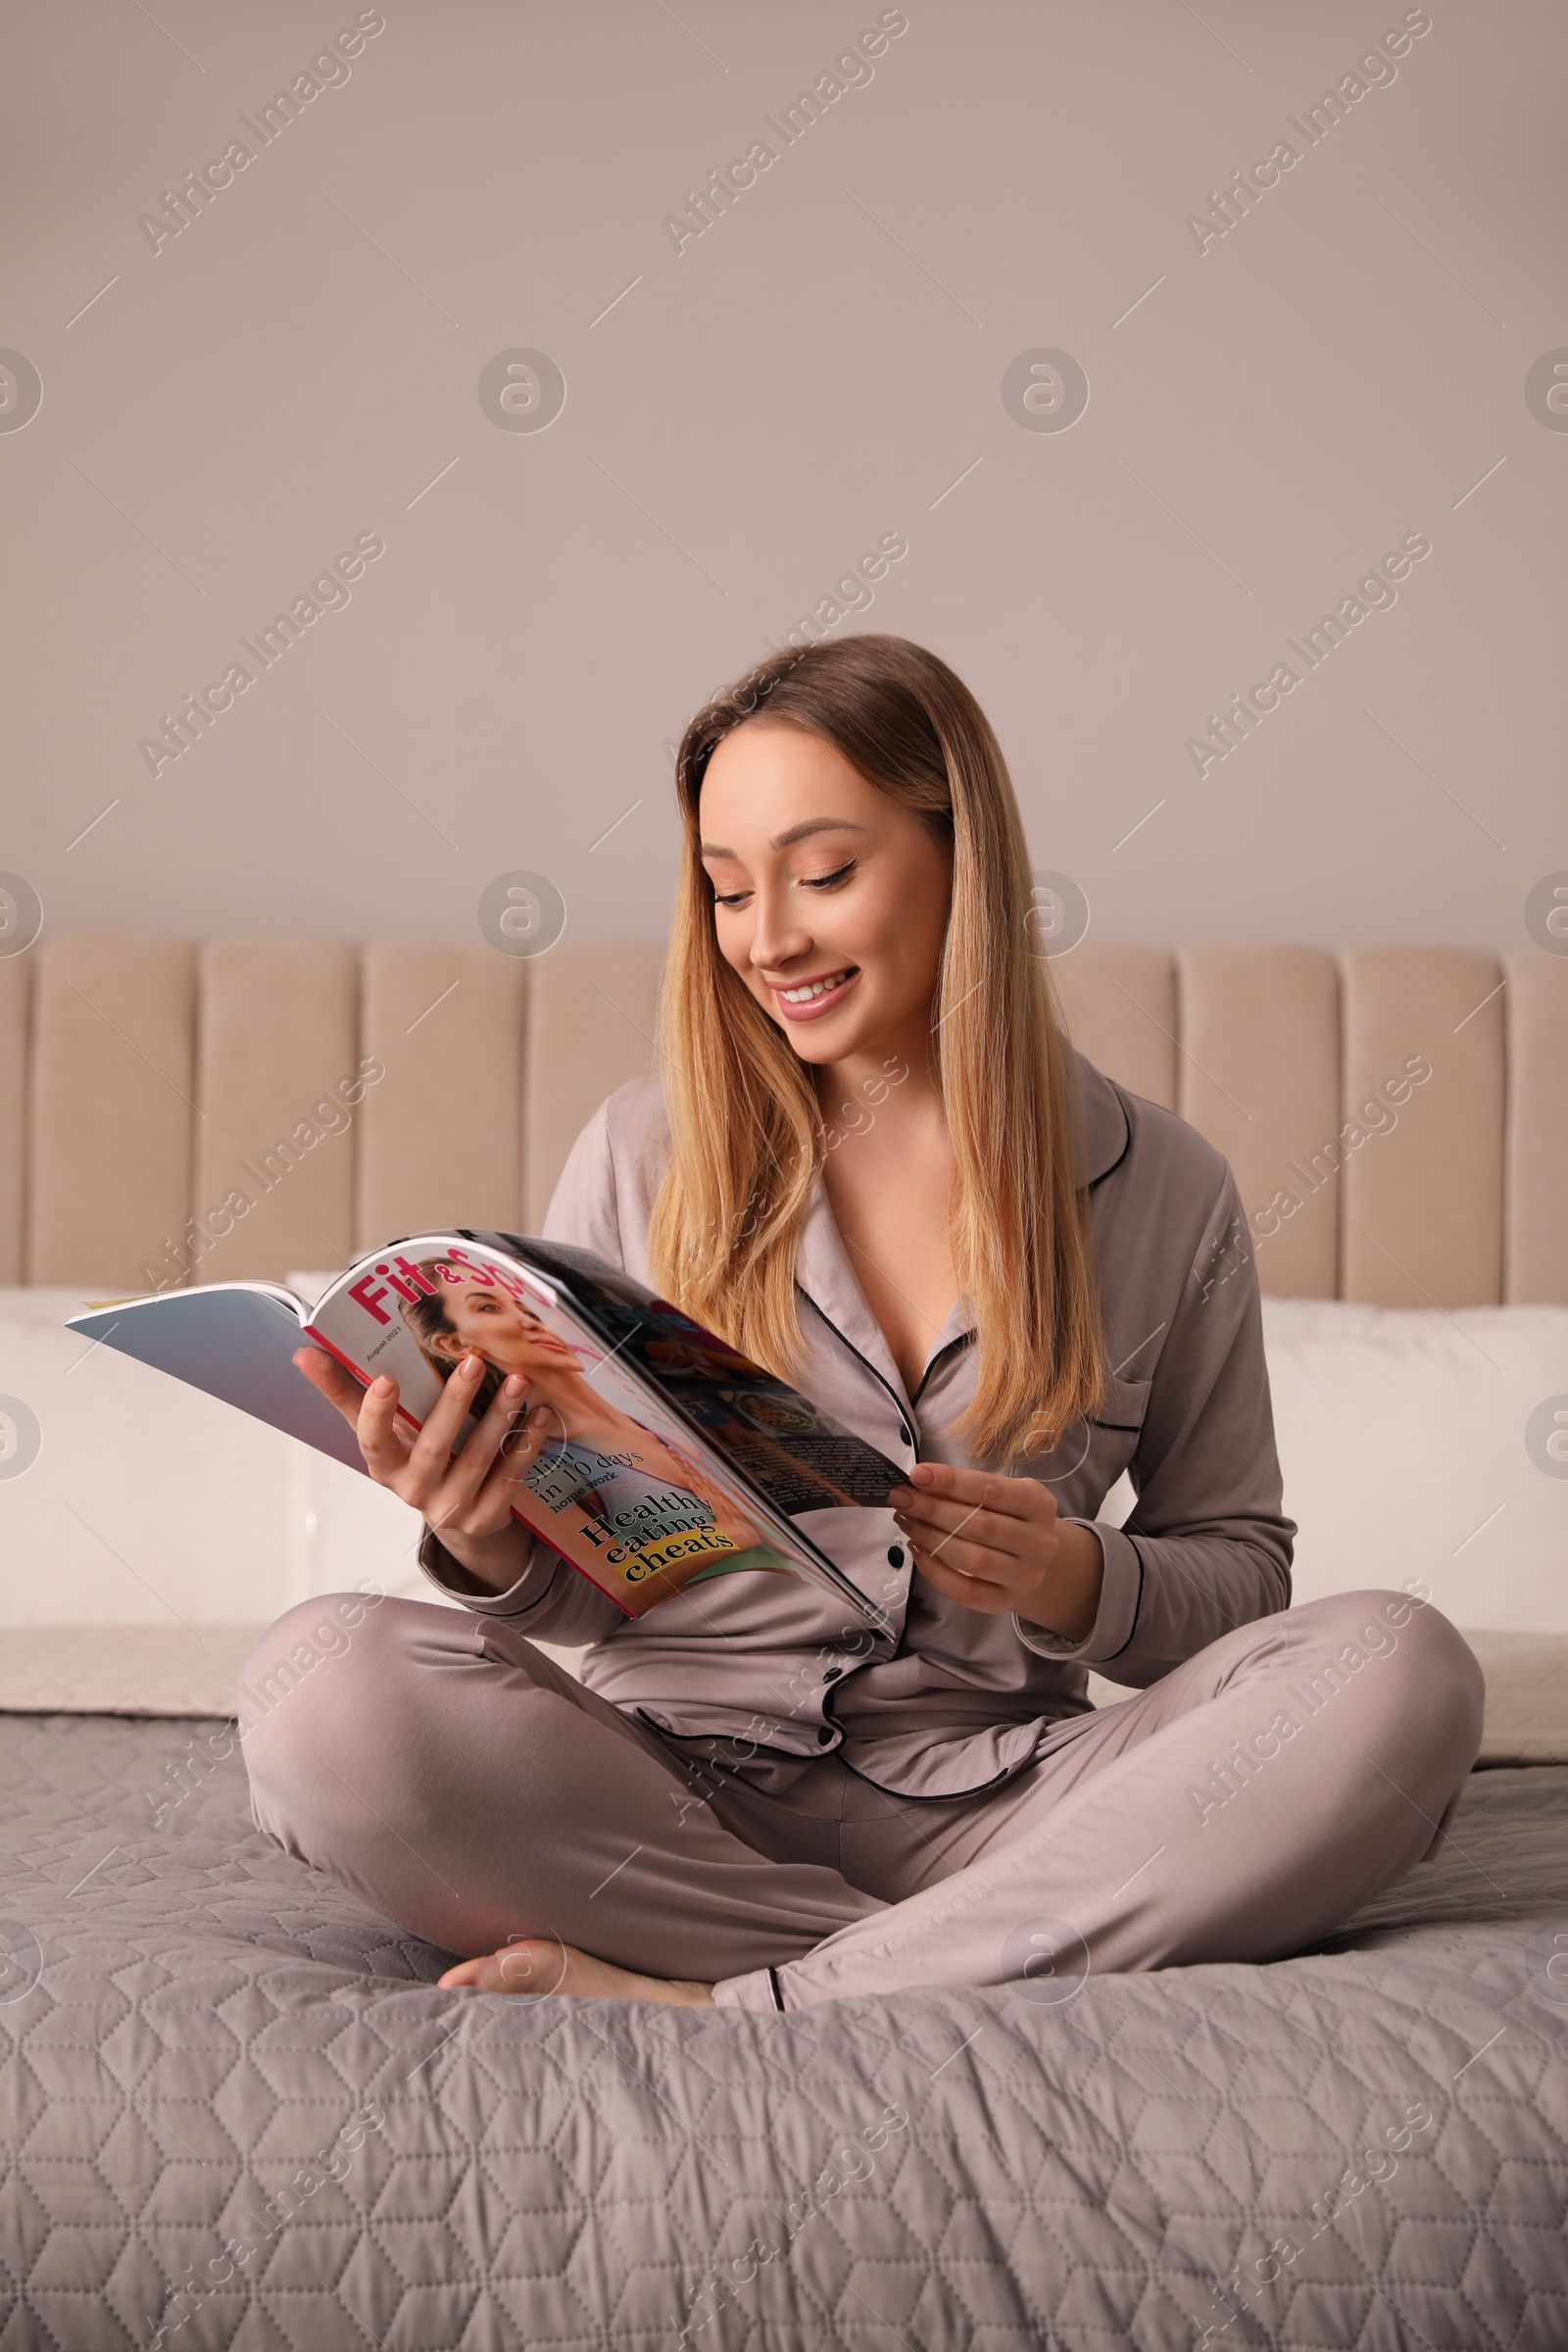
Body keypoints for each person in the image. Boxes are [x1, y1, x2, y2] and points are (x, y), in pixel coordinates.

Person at [243, 634, 1484, 2014]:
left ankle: (743, 1996)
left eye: (823, 874)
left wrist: (1076, 1578)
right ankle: (982, 1958)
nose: (768, 939)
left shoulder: (1167, 1189)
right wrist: (481, 1532)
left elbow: (1241, 1572)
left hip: (1010, 1803)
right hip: (667, 1802)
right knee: (313, 1684)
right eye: (727, 890)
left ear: (964, 860)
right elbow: (589, 1594)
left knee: (1398, 1669)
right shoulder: (644, 1155)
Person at [396, 1255, 784, 1595]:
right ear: (454, 1345)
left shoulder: (656, 1398)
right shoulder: (536, 1463)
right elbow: (613, 1593)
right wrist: (738, 1535)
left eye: (521, 1304)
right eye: (488, 1308)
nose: (528, 1320)